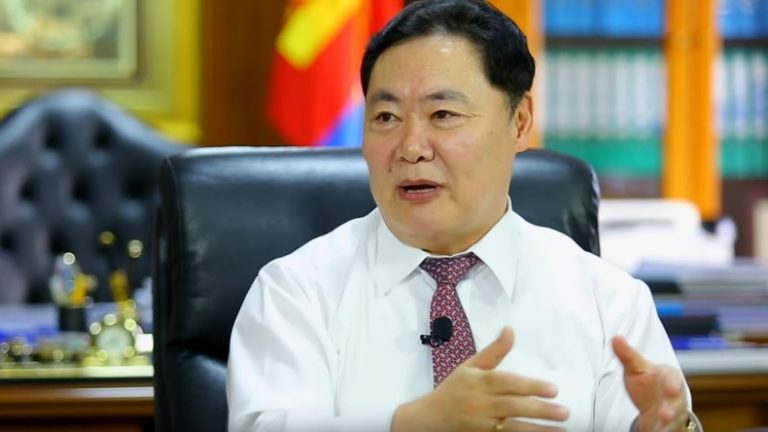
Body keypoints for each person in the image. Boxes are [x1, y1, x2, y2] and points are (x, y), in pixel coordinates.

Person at [227, 1, 701, 431]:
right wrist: (411, 426)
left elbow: (656, 418)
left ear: (520, 122)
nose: (411, 148)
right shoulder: (296, 293)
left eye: (443, 115)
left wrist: (668, 428)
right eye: (386, 117)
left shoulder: (608, 302)